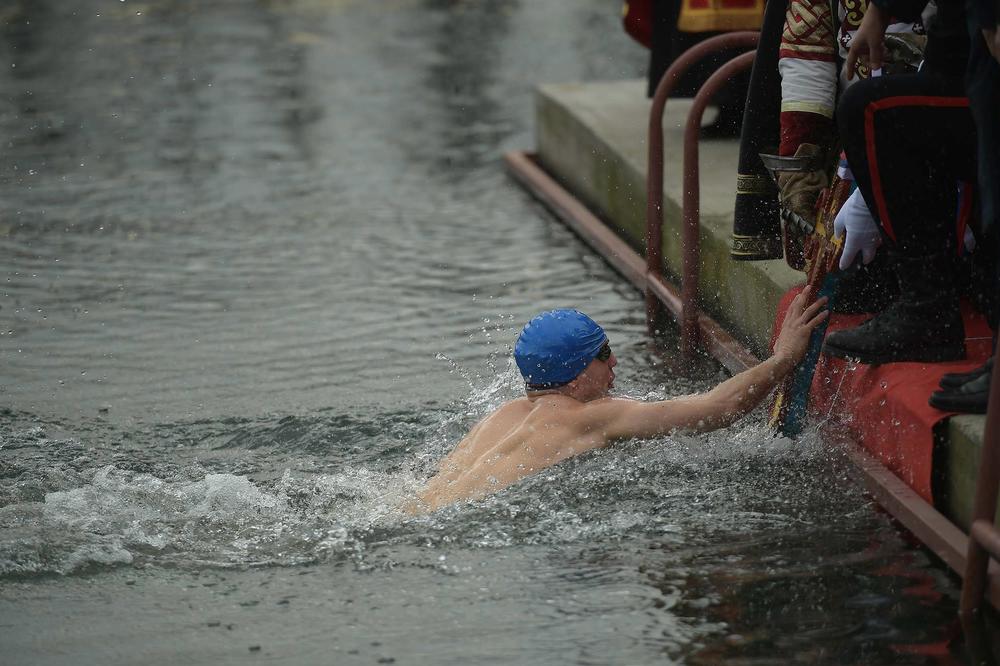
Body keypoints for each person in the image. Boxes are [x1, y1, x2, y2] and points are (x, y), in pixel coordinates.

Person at [412, 288, 828, 512]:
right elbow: (720, 409)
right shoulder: (590, 416)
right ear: (575, 377)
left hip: (415, 507)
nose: (615, 361)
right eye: (604, 353)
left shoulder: (504, 414)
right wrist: (785, 357)